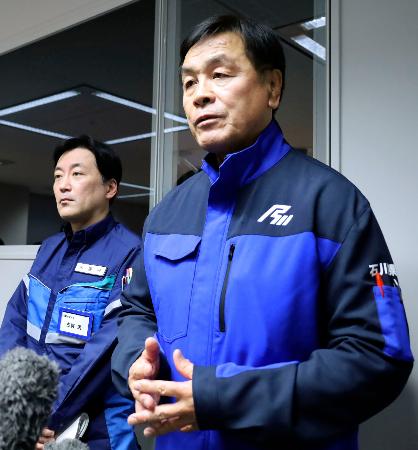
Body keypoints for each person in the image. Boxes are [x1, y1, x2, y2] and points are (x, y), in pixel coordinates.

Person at [111, 15, 413, 450]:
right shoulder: (165, 214)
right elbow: (136, 310)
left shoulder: (331, 204)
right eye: (189, 82)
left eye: (219, 74)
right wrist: (135, 362)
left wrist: (224, 398)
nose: (199, 94)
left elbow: (378, 357)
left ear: (272, 88)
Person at [0, 135, 141, 450]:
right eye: (57, 176)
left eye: (77, 174)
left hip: (95, 427)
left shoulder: (130, 253)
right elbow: (14, 324)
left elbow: (105, 351)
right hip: (31, 423)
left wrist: (47, 414)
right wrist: (15, 405)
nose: (63, 185)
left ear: (110, 188)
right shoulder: (49, 249)